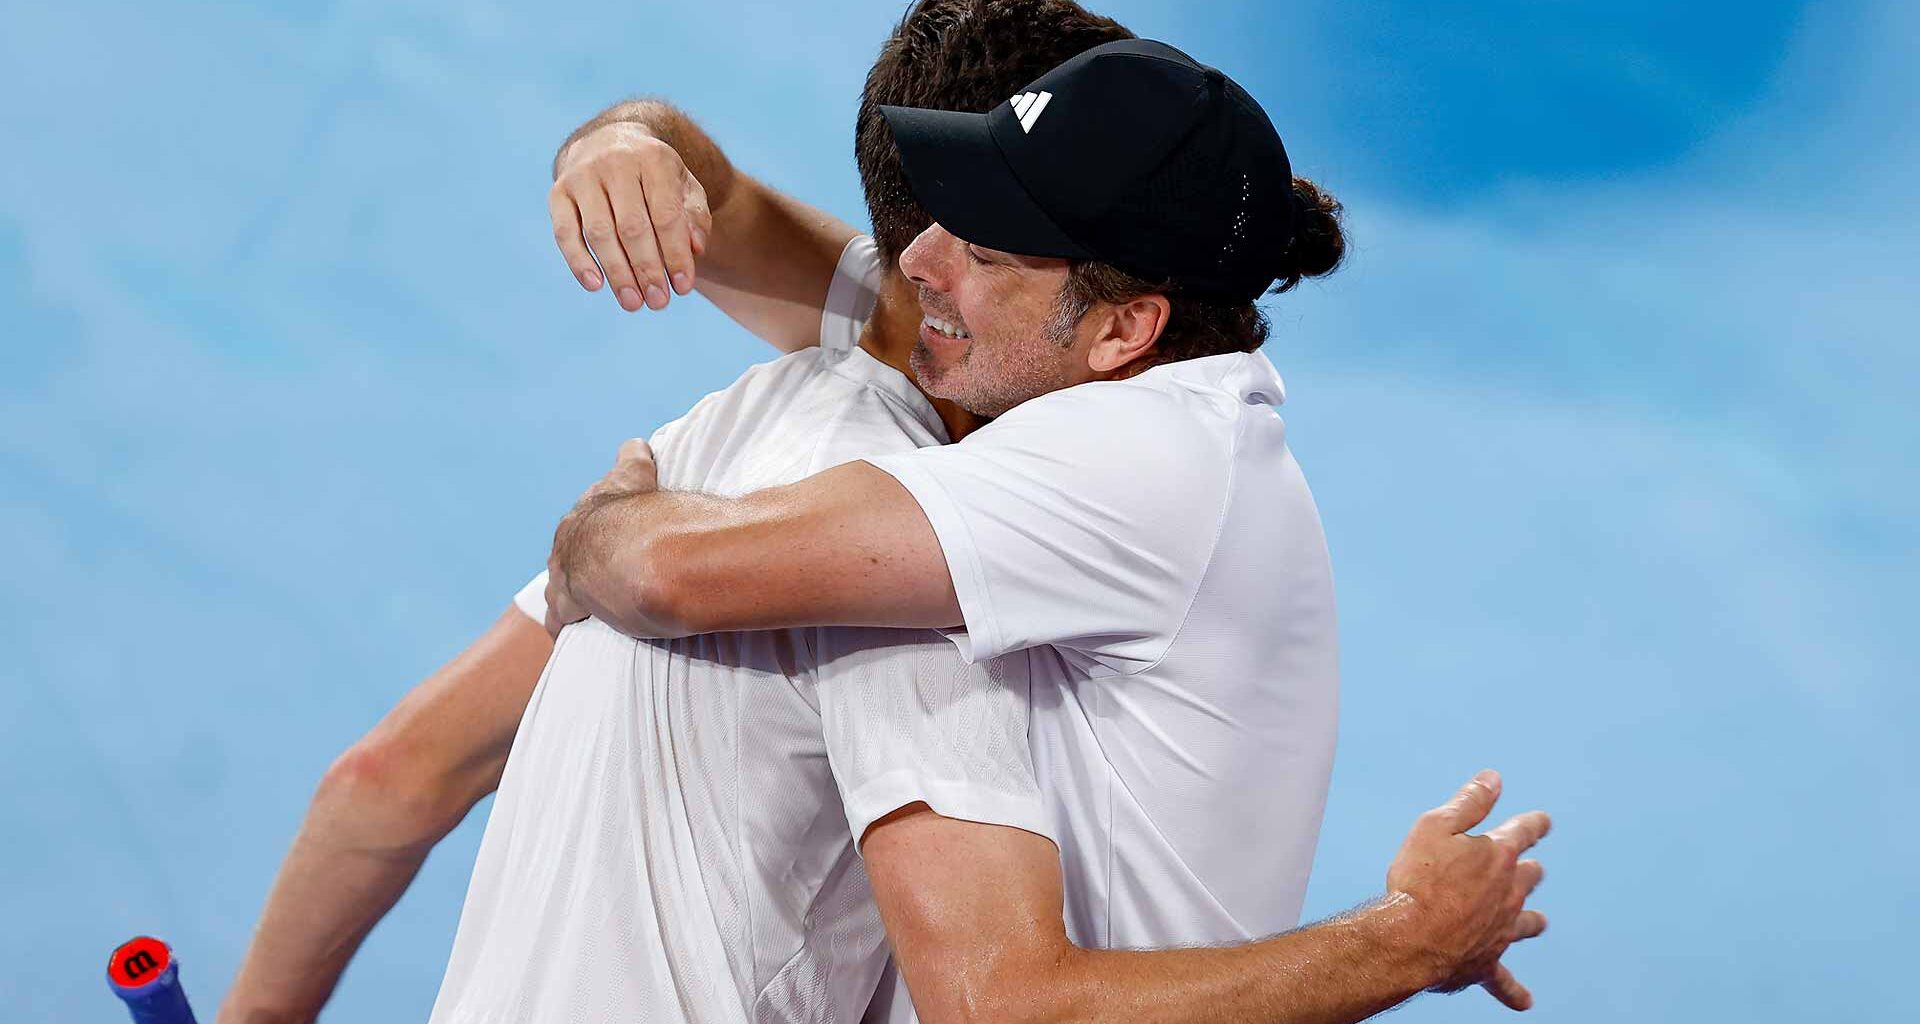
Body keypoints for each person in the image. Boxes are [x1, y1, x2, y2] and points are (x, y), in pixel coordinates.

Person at [217, 5, 1548, 1024]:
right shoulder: (1053, 399)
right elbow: (794, 252)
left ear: (1124, 329)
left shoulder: (976, 513)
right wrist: (626, 146)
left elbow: (429, 747)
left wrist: (1403, 945)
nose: (917, 262)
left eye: (984, 241)